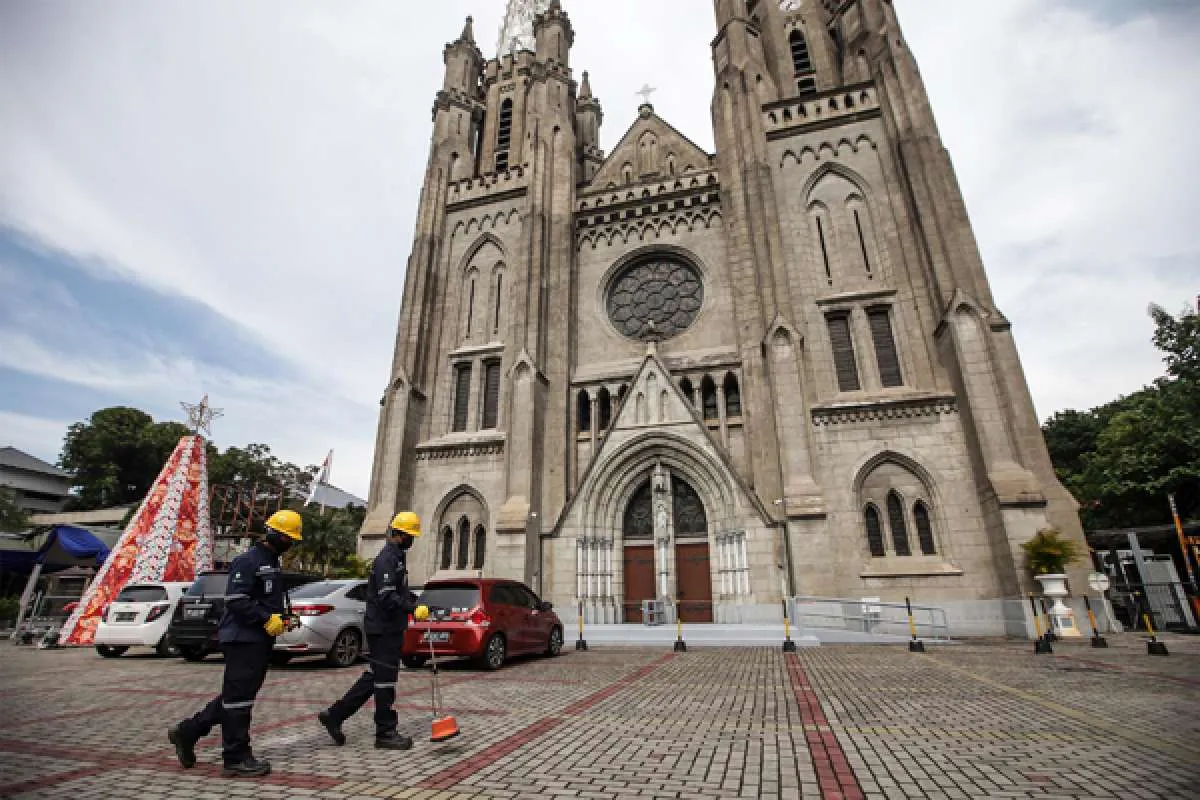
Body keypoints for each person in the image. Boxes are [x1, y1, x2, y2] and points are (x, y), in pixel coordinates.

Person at [168, 509, 303, 777]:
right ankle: (235, 757)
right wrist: (266, 619)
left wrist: (283, 619)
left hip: (259, 639)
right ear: (273, 533)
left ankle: (189, 731)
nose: (290, 544)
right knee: (239, 701)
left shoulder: (272, 562)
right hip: (242, 639)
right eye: (288, 538)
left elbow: (264, 600)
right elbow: (236, 600)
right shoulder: (248, 560)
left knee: (237, 696)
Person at [318, 511, 426, 750]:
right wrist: (410, 608)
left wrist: (417, 601)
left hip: (389, 627)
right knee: (385, 681)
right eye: (411, 536)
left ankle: (335, 715)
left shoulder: (397, 557)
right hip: (384, 628)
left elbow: (399, 591)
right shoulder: (387, 558)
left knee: (375, 676)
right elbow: (387, 597)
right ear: (400, 534)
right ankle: (385, 732)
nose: (412, 540)